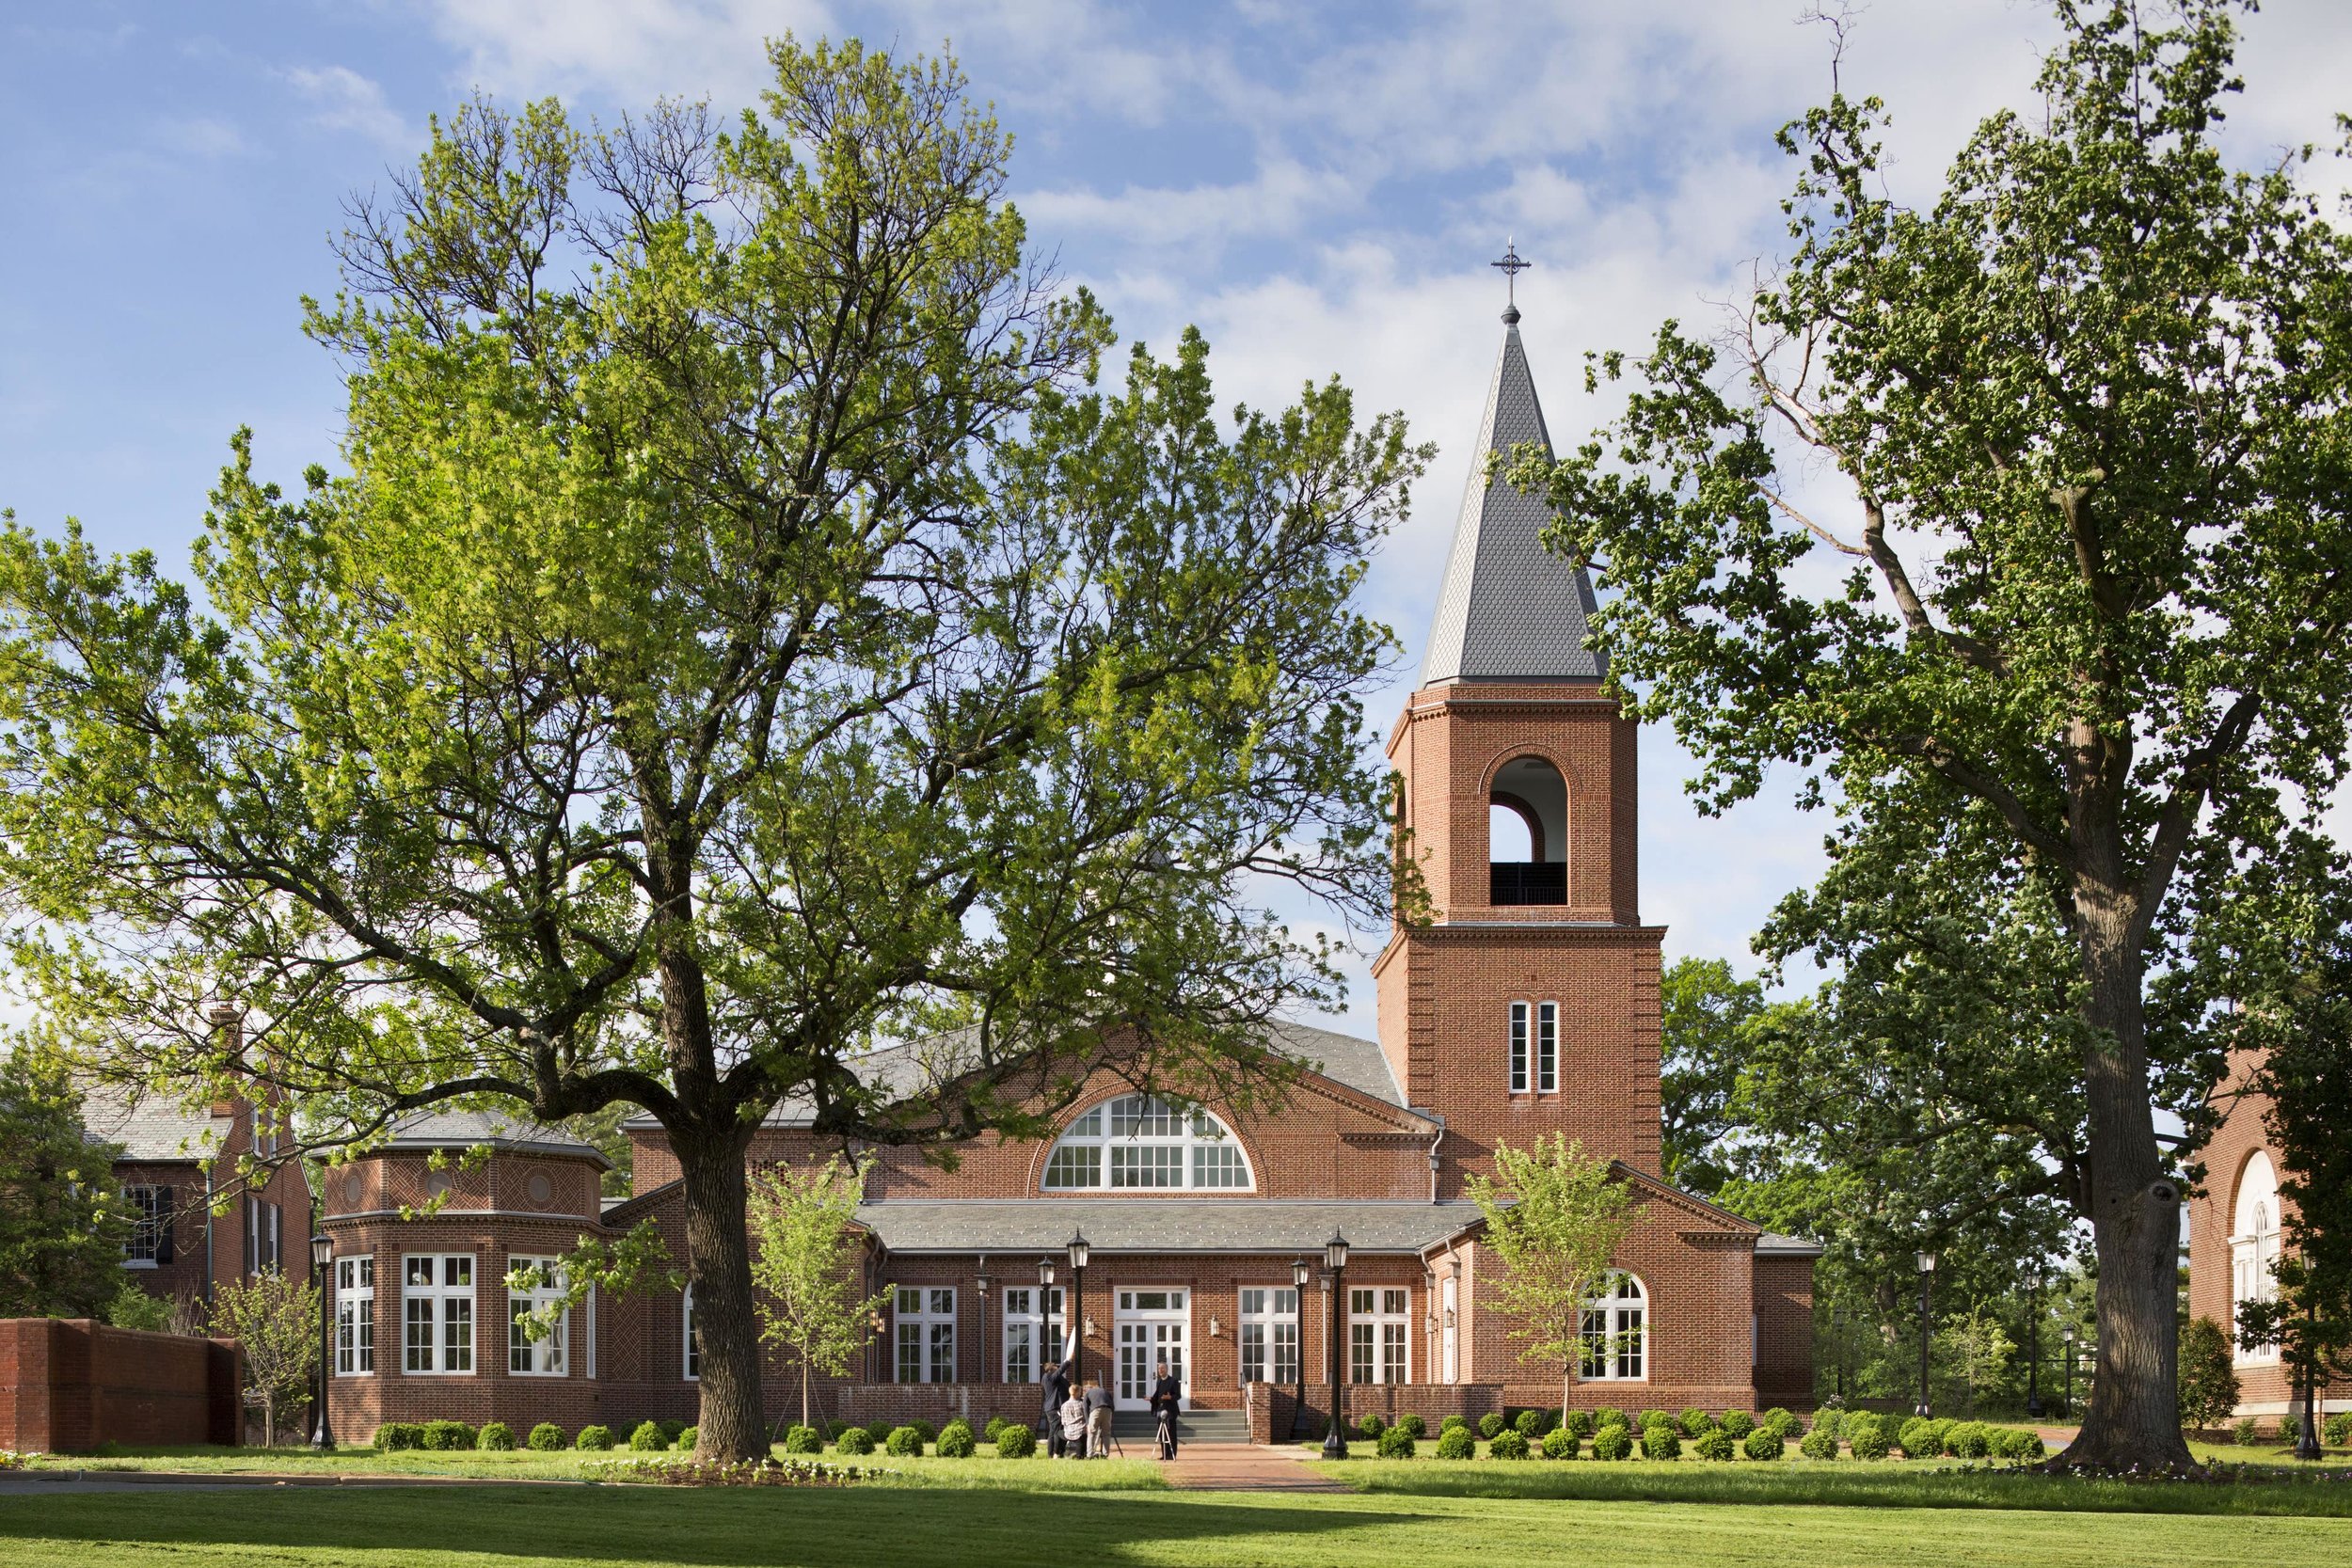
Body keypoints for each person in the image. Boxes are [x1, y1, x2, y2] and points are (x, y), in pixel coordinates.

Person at [1149, 1360, 1182, 1460]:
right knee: (1161, 1432)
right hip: (1160, 1410)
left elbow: (1178, 1395)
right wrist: (1150, 1398)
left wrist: (1170, 1397)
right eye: (1159, 1369)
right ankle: (1164, 1454)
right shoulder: (1159, 1381)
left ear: (1167, 1369)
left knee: (1171, 1433)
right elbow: (1157, 1395)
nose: (1160, 1370)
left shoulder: (1173, 1381)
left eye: (1162, 1368)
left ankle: (1171, 1455)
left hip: (1171, 1411)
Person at [1040, 1358, 1071, 1458]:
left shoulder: (1057, 1379)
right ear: (1051, 1370)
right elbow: (1061, 1370)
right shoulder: (1048, 1377)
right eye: (1056, 1369)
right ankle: (1054, 1453)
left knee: (1057, 1430)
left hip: (1056, 1407)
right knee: (1055, 1431)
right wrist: (1067, 1361)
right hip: (1054, 1408)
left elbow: (1068, 1386)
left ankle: (1058, 1452)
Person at [1083, 1374, 1114, 1458]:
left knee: (1092, 1433)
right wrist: (1111, 1417)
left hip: (1096, 1410)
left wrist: (1087, 1423)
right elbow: (1112, 1405)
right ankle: (1105, 1455)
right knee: (1106, 1434)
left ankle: (1090, 1455)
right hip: (1108, 1410)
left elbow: (1085, 1407)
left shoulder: (1088, 1393)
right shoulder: (1105, 1391)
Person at [1058, 1381, 1089, 1459]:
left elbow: (1063, 1421)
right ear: (1078, 1393)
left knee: (1058, 1433)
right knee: (1083, 1436)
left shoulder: (1064, 1405)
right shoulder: (1081, 1404)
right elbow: (1086, 1417)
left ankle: (1059, 1453)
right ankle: (1081, 1455)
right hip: (1080, 1431)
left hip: (1068, 1431)